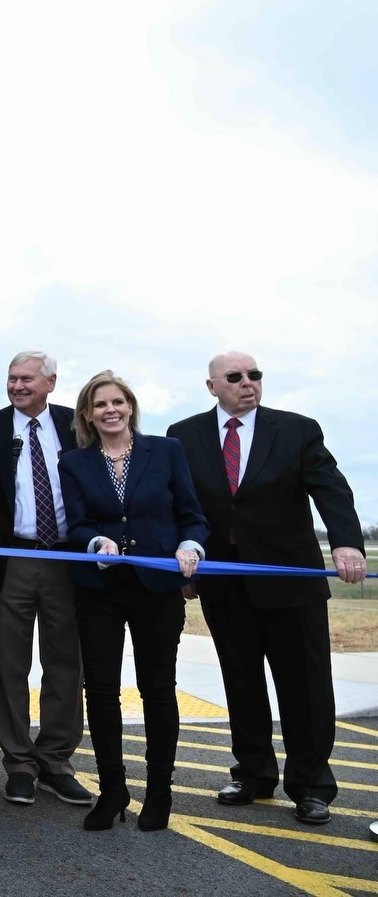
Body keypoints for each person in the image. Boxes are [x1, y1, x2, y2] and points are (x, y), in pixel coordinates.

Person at [168, 352, 366, 826]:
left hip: (290, 581)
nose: (248, 383)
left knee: (306, 687)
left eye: (254, 375)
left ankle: (311, 785)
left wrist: (346, 543)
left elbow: (332, 489)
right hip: (225, 582)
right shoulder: (183, 434)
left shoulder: (297, 429)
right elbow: (180, 503)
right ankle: (253, 774)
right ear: (212, 386)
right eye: (235, 377)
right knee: (242, 683)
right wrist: (187, 570)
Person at [58, 370, 206, 832]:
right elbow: (76, 525)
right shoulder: (74, 463)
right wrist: (97, 541)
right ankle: (113, 791)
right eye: (100, 404)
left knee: (157, 690)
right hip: (100, 588)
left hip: (157, 588)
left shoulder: (165, 451)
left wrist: (190, 546)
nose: (110, 410)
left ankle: (159, 793)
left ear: (130, 406)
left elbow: (192, 516)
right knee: (100, 692)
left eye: (118, 401)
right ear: (87, 413)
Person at [0, 351, 91, 808]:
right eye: (12, 378)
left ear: (51, 382)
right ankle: (19, 764)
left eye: (27, 378)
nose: (17, 385)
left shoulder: (77, 425)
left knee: (66, 662)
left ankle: (57, 762)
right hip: (10, 560)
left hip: (67, 560)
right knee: (9, 664)